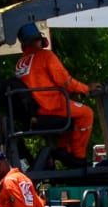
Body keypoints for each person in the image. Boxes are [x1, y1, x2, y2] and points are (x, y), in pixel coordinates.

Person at [15, 21, 95, 166]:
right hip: (49, 106)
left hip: (34, 110)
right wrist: (86, 89)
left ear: (23, 44)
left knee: (73, 114)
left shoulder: (21, 62)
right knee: (86, 113)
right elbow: (65, 82)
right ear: (39, 39)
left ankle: (63, 150)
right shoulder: (45, 56)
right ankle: (79, 158)